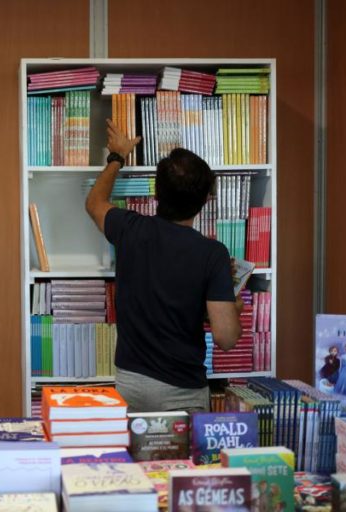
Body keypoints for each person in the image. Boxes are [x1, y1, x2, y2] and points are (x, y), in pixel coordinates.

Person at [85, 119, 242, 413]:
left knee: (128, 458)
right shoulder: (213, 255)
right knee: (182, 461)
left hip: (130, 383)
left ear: (156, 194)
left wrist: (117, 156)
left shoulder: (130, 228)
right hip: (183, 390)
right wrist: (232, 305)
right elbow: (226, 337)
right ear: (205, 201)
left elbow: (94, 202)